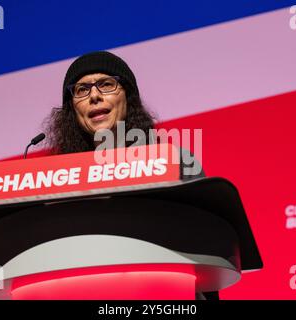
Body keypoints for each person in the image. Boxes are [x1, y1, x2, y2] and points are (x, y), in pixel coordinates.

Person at [44, 51, 215, 299]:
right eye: (81, 90)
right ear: (72, 108)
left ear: (128, 96)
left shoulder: (174, 163)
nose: (94, 96)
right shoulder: (56, 179)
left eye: (106, 84)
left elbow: (205, 245)